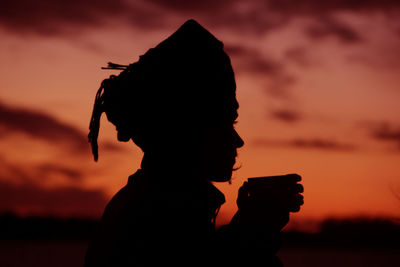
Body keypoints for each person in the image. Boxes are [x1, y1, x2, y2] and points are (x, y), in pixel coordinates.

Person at [85, 19, 303, 267]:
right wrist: (251, 235)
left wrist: (250, 229)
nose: (238, 140)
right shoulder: (154, 221)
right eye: (226, 123)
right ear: (185, 130)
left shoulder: (148, 210)